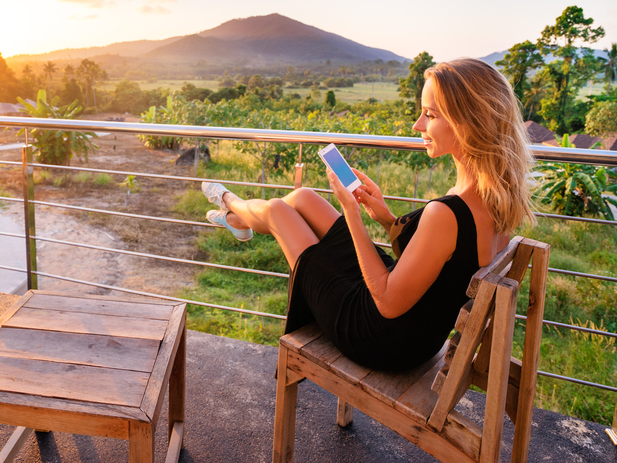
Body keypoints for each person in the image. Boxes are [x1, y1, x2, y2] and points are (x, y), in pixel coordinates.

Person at [201, 58, 535, 371]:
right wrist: (387, 219)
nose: (418, 124)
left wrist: (351, 212)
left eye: (430, 115)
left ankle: (230, 205)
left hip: (378, 336)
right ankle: (238, 221)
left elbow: (388, 301)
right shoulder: (497, 200)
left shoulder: (446, 213)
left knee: (277, 210)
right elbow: (443, 269)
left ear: (469, 123)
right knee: (303, 197)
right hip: (415, 331)